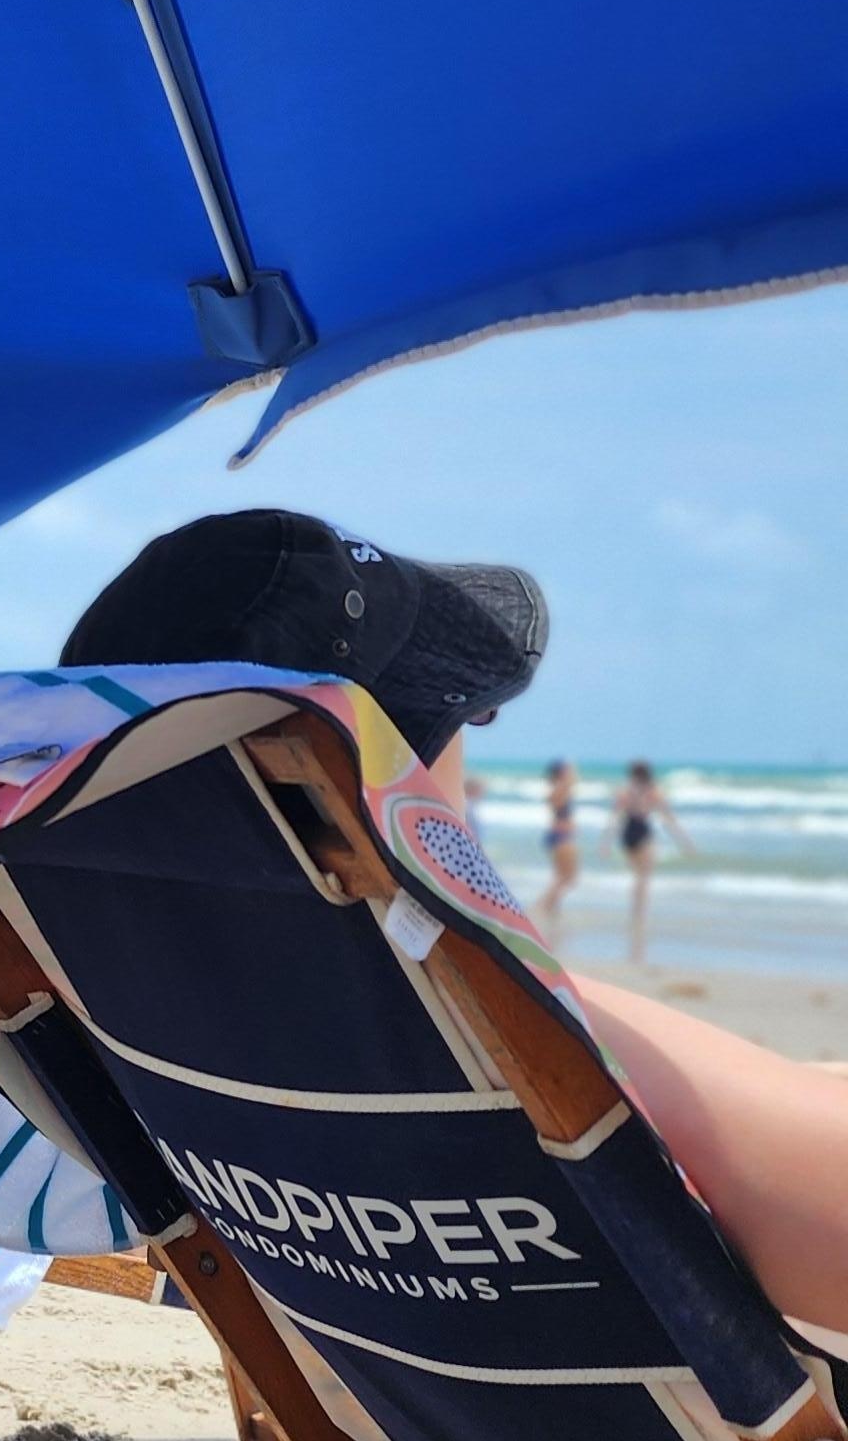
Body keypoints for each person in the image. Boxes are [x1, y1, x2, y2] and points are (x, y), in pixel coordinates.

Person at [61, 510, 846, 1348]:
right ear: (372, 776)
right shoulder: (502, 1035)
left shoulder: (114, 1009)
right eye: (459, 709)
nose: (471, 731)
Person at [614, 758, 692, 966]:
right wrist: (684, 841)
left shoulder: (625, 791)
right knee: (643, 878)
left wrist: (606, 842)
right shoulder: (652, 791)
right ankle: (639, 916)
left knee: (637, 877)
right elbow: (668, 818)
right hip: (641, 831)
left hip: (628, 834)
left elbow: (616, 817)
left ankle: (635, 914)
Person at [539, 755, 580, 939]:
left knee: (561, 877)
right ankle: (543, 907)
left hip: (559, 836)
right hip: (562, 837)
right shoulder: (561, 788)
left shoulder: (557, 788)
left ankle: (551, 911)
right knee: (568, 878)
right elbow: (572, 781)